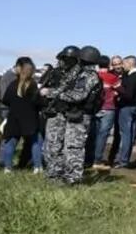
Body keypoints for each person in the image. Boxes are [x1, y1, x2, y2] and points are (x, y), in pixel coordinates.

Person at [42, 45, 102, 185]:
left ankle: (73, 179)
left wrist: (51, 93)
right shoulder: (80, 73)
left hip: (80, 116)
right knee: (67, 147)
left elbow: (77, 95)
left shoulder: (88, 76)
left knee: (73, 148)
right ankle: (62, 175)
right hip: (74, 114)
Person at [0, 57, 44, 174]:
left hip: (14, 118)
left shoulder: (13, 84)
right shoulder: (33, 85)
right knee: (36, 142)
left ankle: (8, 167)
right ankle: (37, 167)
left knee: (11, 143)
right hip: (30, 119)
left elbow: (5, 100)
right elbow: (39, 103)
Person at [87, 55, 121, 168]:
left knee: (93, 134)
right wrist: (115, 93)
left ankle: (88, 158)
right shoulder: (112, 78)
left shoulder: (93, 76)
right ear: (109, 65)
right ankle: (97, 160)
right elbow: (122, 91)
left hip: (95, 109)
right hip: (108, 108)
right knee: (103, 135)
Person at [114, 55, 136, 168]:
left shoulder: (134, 77)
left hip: (127, 107)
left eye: (124, 63)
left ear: (130, 63)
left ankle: (123, 160)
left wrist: (118, 90)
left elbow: (128, 95)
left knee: (126, 135)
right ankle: (124, 159)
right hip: (133, 107)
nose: (123, 65)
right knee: (129, 134)